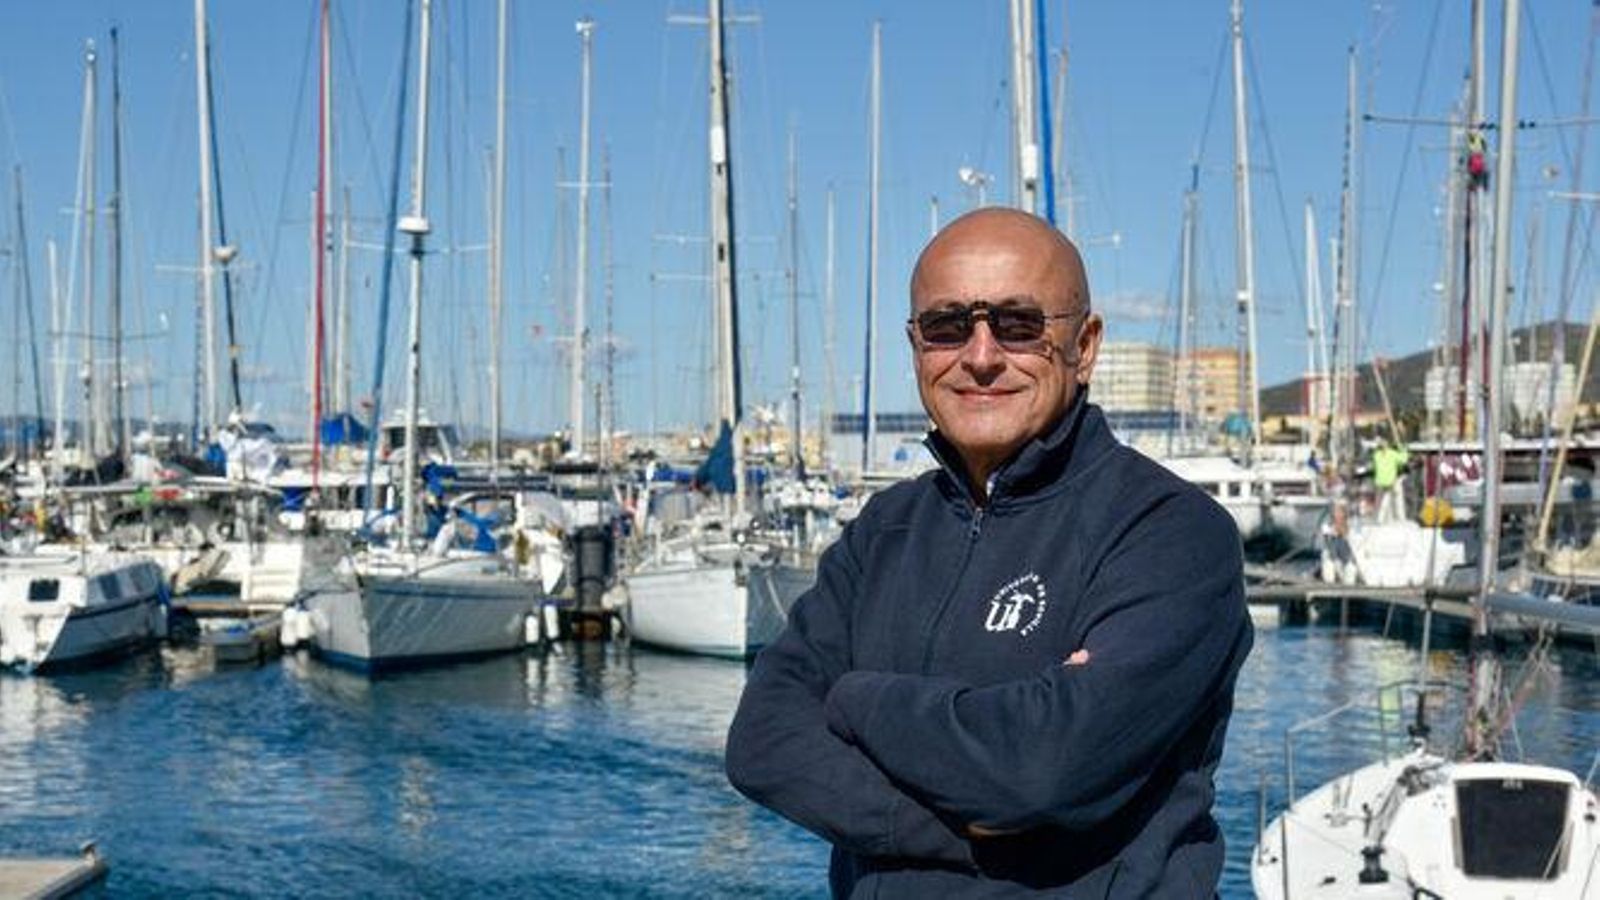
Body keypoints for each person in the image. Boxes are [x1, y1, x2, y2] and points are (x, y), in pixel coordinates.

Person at [724, 208, 1253, 897]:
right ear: (916, 347)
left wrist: (857, 699)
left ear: (1085, 346)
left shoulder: (1169, 533)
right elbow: (763, 743)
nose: (980, 356)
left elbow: (1040, 767)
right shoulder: (885, 530)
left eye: (1018, 324)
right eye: (948, 326)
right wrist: (971, 832)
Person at [1372, 437, 1410, 523]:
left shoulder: (1376, 455)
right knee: (1392, 500)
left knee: (1383, 500)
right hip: (1389, 482)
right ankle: (1397, 518)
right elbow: (1404, 459)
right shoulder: (1392, 454)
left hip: (1381, 482)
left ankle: (1382, 518)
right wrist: (1403, 449)